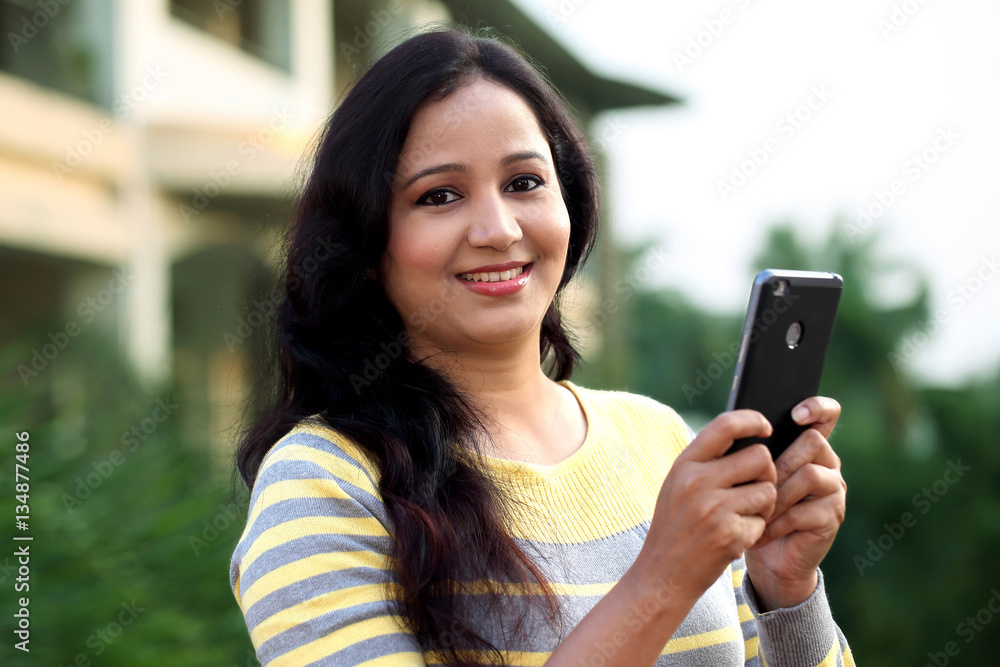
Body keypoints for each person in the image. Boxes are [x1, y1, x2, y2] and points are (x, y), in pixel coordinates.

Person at [229, 28, 854, 667]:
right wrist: (661, 579)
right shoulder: (321, 485)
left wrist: (786, 592)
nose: (499, 230)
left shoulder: (661, 441)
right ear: (364, 244)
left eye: (524, 182)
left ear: (569, 202)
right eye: (439, 196)